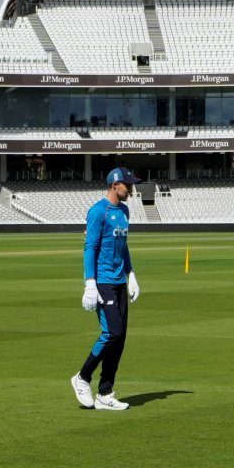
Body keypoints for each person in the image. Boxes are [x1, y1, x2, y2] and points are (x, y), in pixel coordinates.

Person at [72, 167, 140, 411]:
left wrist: (130, 273)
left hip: (119, 281)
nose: (131, 188)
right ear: (115, 185)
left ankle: (105, 393)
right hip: (102, 282)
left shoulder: (124, 211)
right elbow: (89, 247)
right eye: (127, 185)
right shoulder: (98, 212)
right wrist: (89, 282)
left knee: (119, 338)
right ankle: (82, 377)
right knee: (111, 332)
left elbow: (123, 246)